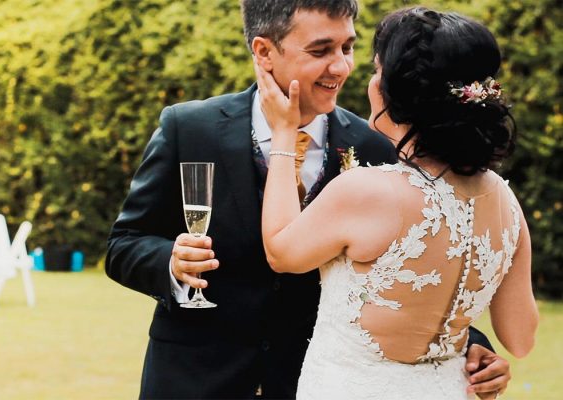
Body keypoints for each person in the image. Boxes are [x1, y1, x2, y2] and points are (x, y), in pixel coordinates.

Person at [106, 1, 512, 398]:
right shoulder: (190, 128)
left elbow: (419, 267)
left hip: (310, 382)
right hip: (195, 380)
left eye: (348, 47)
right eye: (321, 50)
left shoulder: (374, 144)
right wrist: (170, 263)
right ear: (264, 51)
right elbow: (124, 243)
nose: (341, 66)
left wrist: (469, 343)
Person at [257, 6, 539, 400]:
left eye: (377, 71)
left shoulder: (368, 191)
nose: (370, 81)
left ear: (399, 93)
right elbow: (520, 337)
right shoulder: (505, 201)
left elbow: (281, 252)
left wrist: (284, 133)